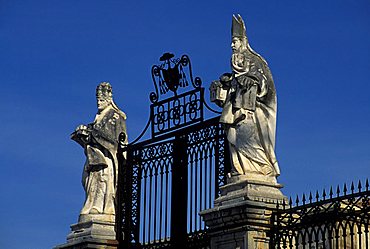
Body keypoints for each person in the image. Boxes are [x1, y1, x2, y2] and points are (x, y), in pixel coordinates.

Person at [211, 15, 280, 183]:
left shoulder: (255, 60)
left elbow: (264, 81)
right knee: (233, 136)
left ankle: (261, 168)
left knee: (247, 137)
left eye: (235, 41)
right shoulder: (235, 63)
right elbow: (236, 83)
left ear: (242, 42)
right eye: (232, 42)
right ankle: (240, 169)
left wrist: (252, 80)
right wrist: (227, 82)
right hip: (235, 109)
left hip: (251, 112)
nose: (232, 45)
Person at [71, 82, 127, 221]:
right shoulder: (98, 118)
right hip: (94, 157)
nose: (99, 103)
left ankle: (104, 209)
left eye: (101, 100)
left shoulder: (115, 116)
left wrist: (91, 135)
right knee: (92, 183)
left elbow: (118, 142)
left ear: (108, 98)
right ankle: (93, 206)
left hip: (107, 158)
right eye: (97, 100)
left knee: (104, 182)